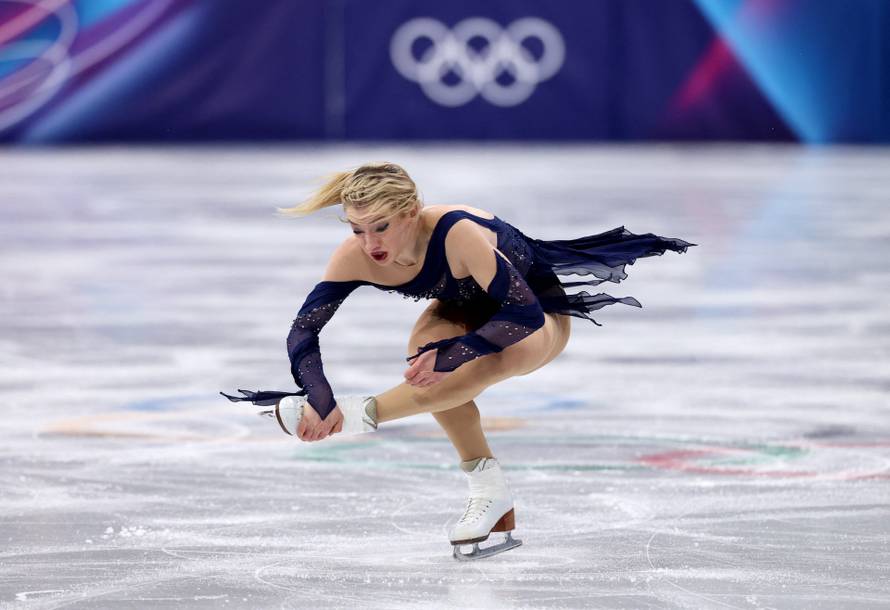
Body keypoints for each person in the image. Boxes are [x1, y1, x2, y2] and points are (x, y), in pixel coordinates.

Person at [222, 162, 696, 560]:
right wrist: (318, 394)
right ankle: (490, 494)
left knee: (464, 367)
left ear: (410, 213)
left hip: (534, 315)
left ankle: (352, 417)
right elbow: (304, 329)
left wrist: (455, 355)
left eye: (381, 226)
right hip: (460, 308)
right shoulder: (356, 255)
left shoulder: (458, 233)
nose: (371, 244)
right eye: (358, 229)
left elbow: (523, 312)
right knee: (423, 361)